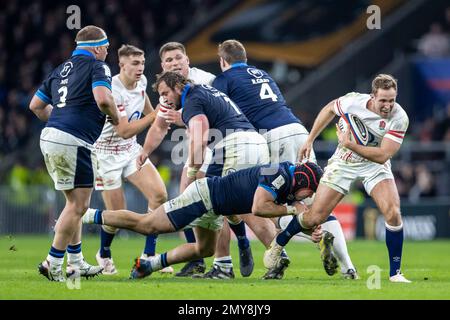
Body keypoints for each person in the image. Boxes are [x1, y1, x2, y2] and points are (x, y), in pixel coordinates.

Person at [212, 39, 358, 280]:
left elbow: (223, 114)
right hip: (299, 133)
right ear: (245, 59)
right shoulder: (263, 74)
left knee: (266, 205)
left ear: (222, 61)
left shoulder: (223, 80)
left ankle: (284, 252)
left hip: (270, 139)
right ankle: (348, 268)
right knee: (317, 206)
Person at [264, 74, 411, 283]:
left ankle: (395, 273)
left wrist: (350, 143)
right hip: (344, 162)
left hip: (374, 164)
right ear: (372, 96)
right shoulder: (354, 102)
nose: (388, 106)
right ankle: (280, 241)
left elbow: (382, 155)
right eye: (383, 101)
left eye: (392, 100)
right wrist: (310, 140)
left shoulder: (399, 117)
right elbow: (330, 108)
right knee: (314, 218)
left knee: (393, 212)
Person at [82, 161, 325, 279]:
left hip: (215, 208)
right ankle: (87, 214)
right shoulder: (279, 175)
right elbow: (259, 208)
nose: (310, 196)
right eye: (311, 191)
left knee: (205, 249)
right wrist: (295, 212)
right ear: (303, 181)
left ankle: (148, 265)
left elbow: (282, 216)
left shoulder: (288, 183)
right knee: (148, 225)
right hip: (204, 196)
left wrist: (308, 228)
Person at [137, 71, 272, 279]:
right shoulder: (203, 91)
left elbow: (200, 137)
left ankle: (224, 266)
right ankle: (273, 254)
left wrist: (191, 170)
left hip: (233, 145)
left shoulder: (192, 98)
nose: (164, 99)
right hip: (254, 142)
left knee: (215, 200)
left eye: (165, 93)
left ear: (178, 85)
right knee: (249, 205)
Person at [29, 25, 120, 281]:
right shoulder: (98, 67)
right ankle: (52, 262)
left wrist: (58, 123)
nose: (106, 51)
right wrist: (115, 117)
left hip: (50, 136)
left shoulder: (61, 68)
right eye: (106, 47)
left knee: (74, 205)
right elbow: (103, 99)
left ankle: (76, 262)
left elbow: (35, 105)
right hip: (74, 141)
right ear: (97, 46)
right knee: (79, 205)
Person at [93, 44, 172, 275]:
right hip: (106, 153)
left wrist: (157, 117)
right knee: (118, 216)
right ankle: (104, 253)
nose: (140, 68)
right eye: (135, 64)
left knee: (159, 194)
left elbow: (145, 102)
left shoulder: (143, 82)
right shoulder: (113, 90)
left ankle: (149, 255)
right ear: (122, 65)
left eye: (143, 64)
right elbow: (125, 130)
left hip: (129, 150)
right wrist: (155, 115)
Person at [142, 42, 214, 276]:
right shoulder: (167, 91)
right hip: (200, 145)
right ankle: (203, 258)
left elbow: (219, 108)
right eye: (169, 61)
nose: (174, 63)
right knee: (192, 200)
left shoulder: (204, 80)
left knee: (202, 200)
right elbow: (159, 126)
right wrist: (144, 152)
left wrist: (182, 115)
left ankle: (218, 257)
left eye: (178, 58)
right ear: (163, 66)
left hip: (220, 141)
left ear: (187, 60)